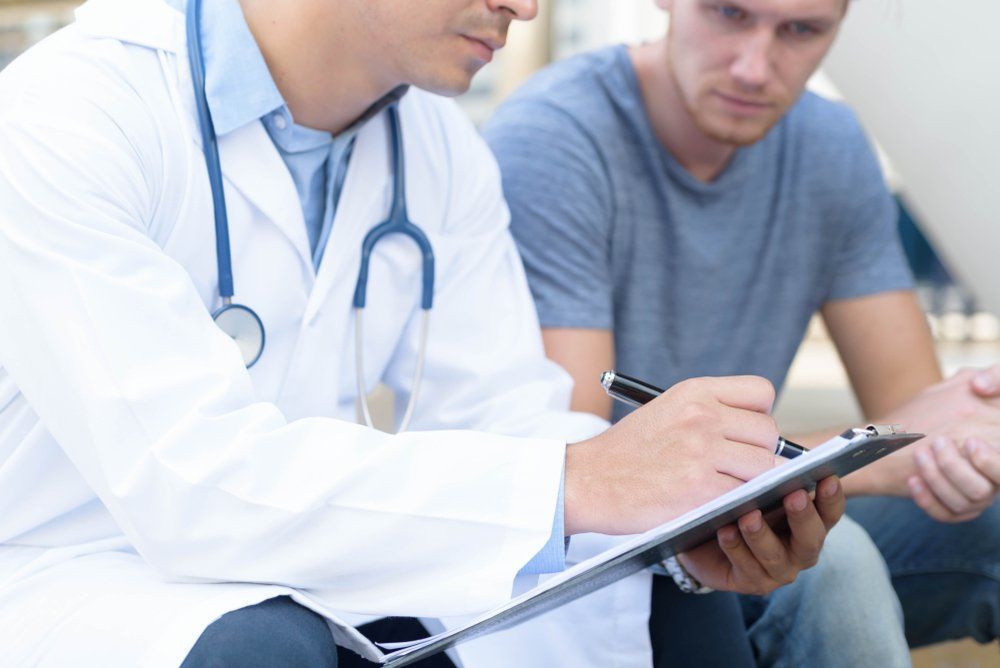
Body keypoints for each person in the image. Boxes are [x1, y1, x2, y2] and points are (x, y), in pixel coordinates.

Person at [0, 0, 849, 666]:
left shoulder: (435, 147)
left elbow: (504, 413)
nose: (522, 6)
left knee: (661, 599)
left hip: (305, 556)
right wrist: (577, 481)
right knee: (261, 646)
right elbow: (188, 482)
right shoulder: (65, 117)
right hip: (69, 575)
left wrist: (680, 533)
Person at [483, 0, 1000, 665]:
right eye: (729, 13)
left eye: (801, 30)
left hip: (750, 511)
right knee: (836, 562)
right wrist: (863, 460)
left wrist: (963, 441)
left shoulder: (828, 144)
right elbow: (582, 475)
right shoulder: (556, 134)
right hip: (596, 556)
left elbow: (913, 419)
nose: (756, 67)